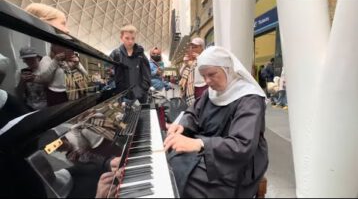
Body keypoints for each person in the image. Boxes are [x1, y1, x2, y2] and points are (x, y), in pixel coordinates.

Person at [164, 46, 268, 198]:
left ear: (228, 70)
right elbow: (193, 114)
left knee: (179, 174)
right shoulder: (211, 93)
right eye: (203, 76)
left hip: (238, 165)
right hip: (213, 152)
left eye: (212, 74)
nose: (207, 81)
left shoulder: (250, 99)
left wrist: (199, 144)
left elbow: (242, 144)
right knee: (171, 162)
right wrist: (182, 125)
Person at [109, 24, 151, 104]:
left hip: (140, 99)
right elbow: (109, 75)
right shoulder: (115, 54)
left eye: (133, 38)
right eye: (127, 38)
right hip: (121, 99)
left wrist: (140, 92)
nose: (130, 41)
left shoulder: (141, 55)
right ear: (121, 38)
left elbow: (147, 76)